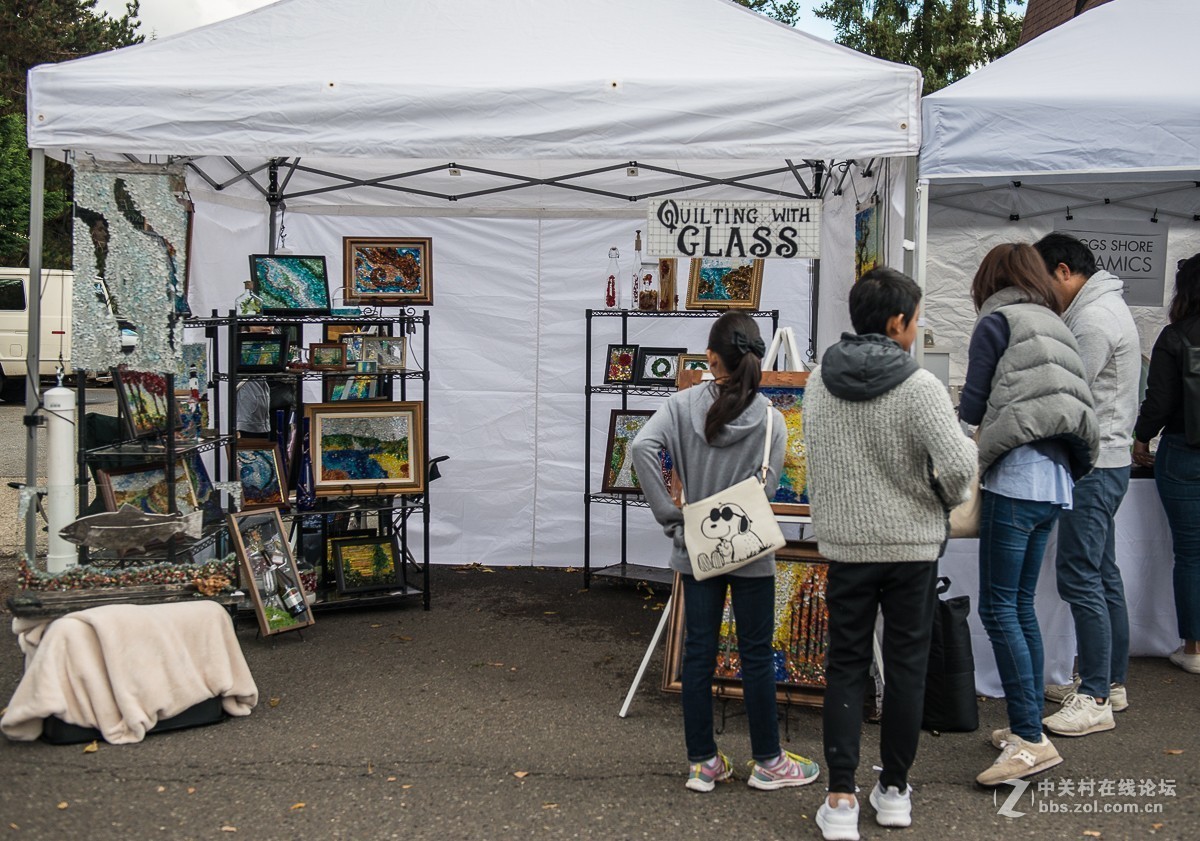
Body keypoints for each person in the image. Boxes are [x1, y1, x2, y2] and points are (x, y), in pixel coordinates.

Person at [804, 268, 976, 840]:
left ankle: (841, 798)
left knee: (846, 666)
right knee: (905, 668)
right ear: (897, 322)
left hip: (847, 546)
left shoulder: (817, 383)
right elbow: (958, 466)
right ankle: (896, 791)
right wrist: (939, 501)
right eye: (918, 320)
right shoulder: (920, 386)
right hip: (912, 548)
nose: (918, 330)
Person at [630, 311, 820, 794]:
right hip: (753, 550)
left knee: (698, 655)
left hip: (696, 547)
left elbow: (640, 449)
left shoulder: (679, 407)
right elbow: (770, 485)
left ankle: (702, 763)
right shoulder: (773, 419)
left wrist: (673, 517)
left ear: (711, 358)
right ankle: (769, 762)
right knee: (755, 657)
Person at [958, 244, 1098, 786]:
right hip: (1055, 481)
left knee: (999, 609)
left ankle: (1030, 741)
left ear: (990, 280)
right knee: (1020, 606)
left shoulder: (998, 321)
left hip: (1015, 478)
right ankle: (1026, 726)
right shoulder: (1056, 321)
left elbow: (972, 407)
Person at [1034, 233, 1141, 736]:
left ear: (1062, 271)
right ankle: (1109, 682)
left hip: (1095, 464)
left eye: (1041, 280)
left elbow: (1066, 392)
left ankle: (1096, 693)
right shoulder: (1102, 307)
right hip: (1107, 460)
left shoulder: (1094, 318)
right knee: (1101, 572)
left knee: (1080, 575)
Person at [1132, 253, 1200, 674]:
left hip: (1183, 452)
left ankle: (1194, 648)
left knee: (1191, 555)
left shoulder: (1175, 337)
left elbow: (1157, 401)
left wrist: (1141, 440)